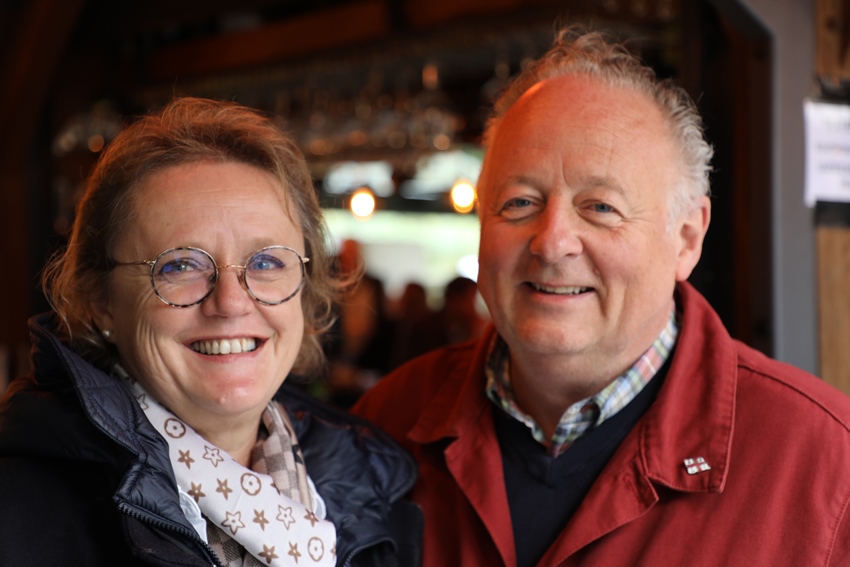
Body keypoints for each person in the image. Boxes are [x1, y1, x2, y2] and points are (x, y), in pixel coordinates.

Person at [352, 25, 850, 567]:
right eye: (519, 202)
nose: (552, 242)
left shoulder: (827, 467)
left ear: (687, 238)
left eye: (601, 208)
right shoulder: (386, 423)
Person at [0, 97, 420, 566]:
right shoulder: (17, 515)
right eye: (180, 265)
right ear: (102, 301)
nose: (232, 303)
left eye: (266, 262)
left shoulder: (379, 497)